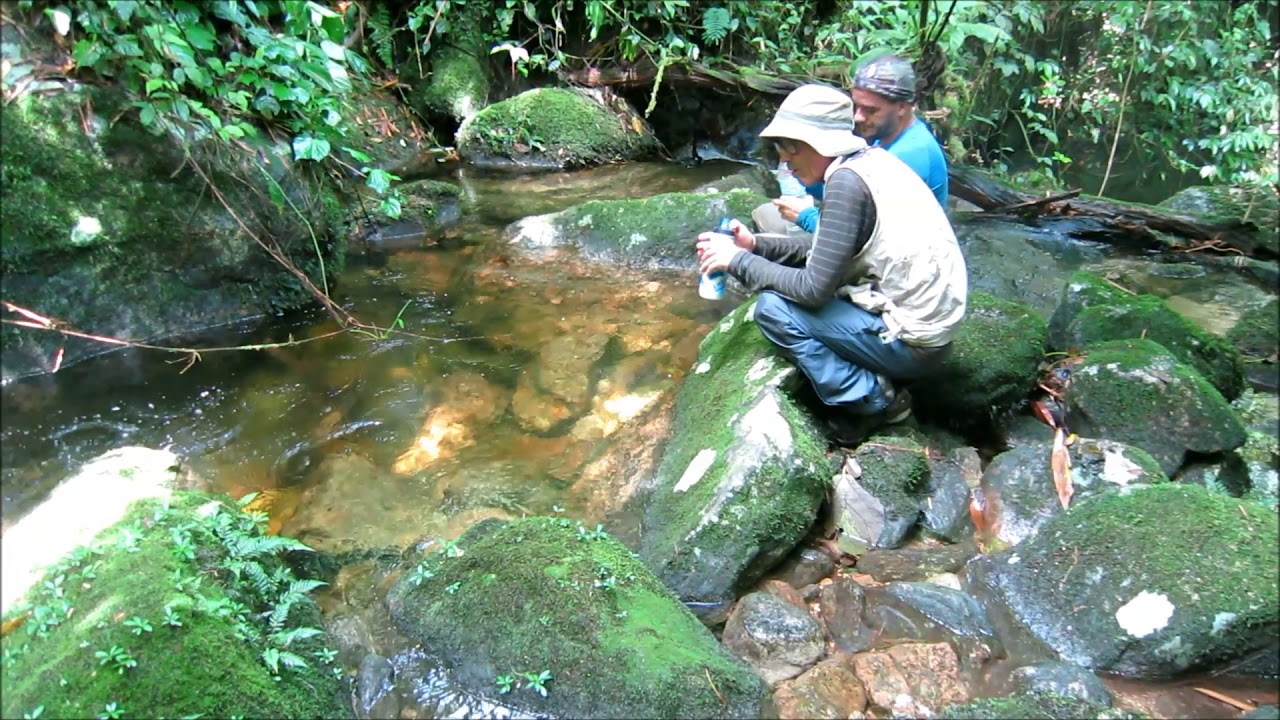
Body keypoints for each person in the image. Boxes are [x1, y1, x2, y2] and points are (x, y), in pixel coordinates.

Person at [696, 84, 968, 440]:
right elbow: (828, 248)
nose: (786, 162)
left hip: (914, 343)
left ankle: (875, 400)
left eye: (792, 149)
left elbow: (813, 290)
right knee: (787, 287)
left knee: (773, 310)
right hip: (931, 329)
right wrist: (755, 244)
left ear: (819, 143)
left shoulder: (846, 185)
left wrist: (736, 260)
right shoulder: (869, 162)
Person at [757, 55, 950, 236]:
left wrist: (805, 216)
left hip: (896, 253)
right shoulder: (884, 135)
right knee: (768, 214)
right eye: (857, 107)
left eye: (870, 110)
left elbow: (863, 236)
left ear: (901, 106)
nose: (858, 117)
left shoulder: (909, 154)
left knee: (770, 223)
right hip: (871, 229)